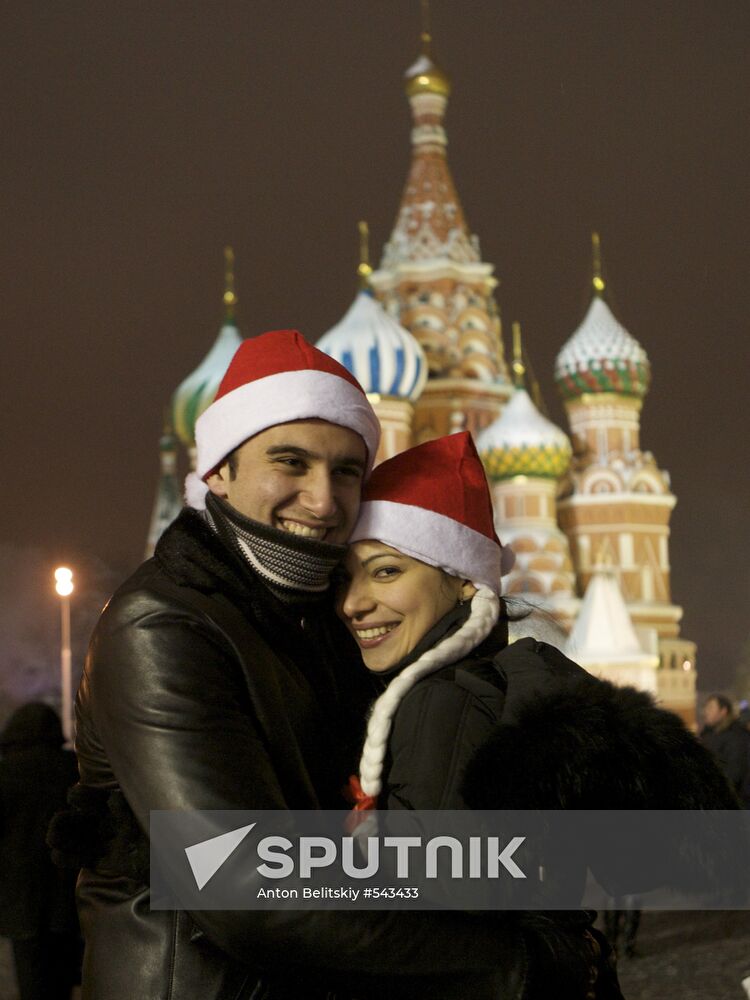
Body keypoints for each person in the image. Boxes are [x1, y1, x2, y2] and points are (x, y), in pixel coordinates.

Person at [53, 332, 527, 1000]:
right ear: (220, 469)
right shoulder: (164, 626)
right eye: (290, 463)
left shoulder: (315, 611)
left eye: (346, 471)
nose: (324, 501)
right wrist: (514, 966)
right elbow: (243, 884)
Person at [338, 432, 739, 998]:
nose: (353, 601)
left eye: (385, 571)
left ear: (462, 580)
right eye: (344, 577)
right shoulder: (510, 681)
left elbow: (431, 905)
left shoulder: (441, 700)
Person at [0, 703, 81, 1000]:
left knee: (32, 981)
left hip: (22, 901)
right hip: (68, 895)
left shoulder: (5, 772)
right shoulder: (73, 768)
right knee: (63, 980)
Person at [700, 694, 750, 806]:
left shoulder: (737, 737)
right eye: (705, 708)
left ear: (723, 711)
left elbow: (734, 775)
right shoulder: (707, 734)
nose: (705, 712)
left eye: (710, 708)